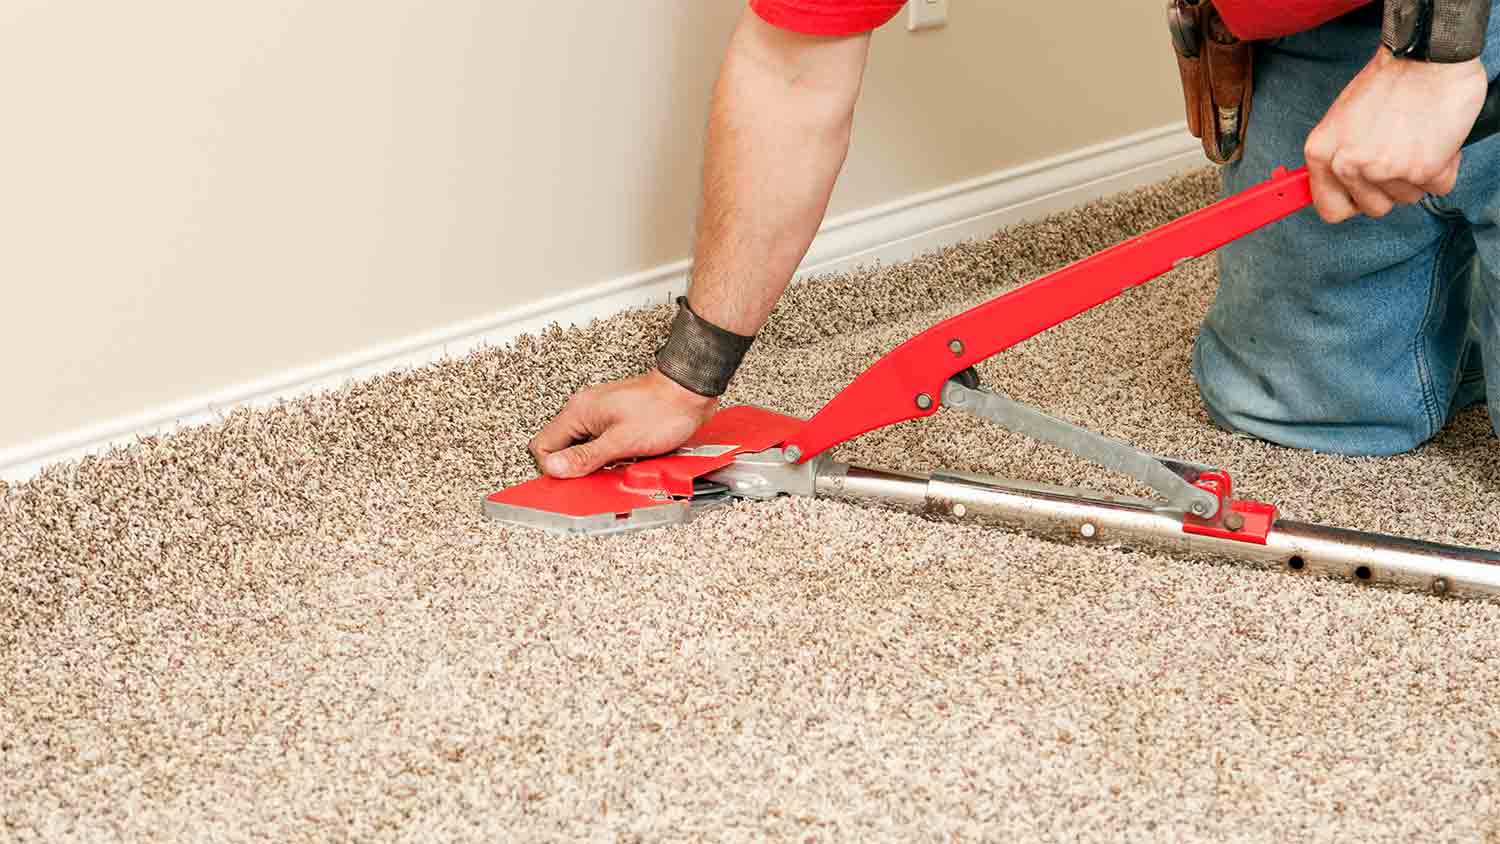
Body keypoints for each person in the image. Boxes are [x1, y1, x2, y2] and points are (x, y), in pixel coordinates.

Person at [530, 0, 1498, 479]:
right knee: (1304, 406)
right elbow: (792, 73)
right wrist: (686, 377)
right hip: (1328, 28)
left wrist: (1440, 54)